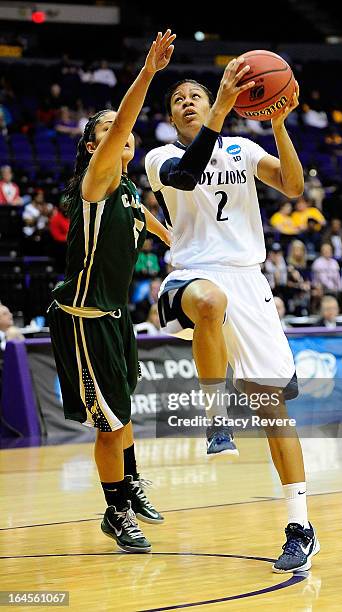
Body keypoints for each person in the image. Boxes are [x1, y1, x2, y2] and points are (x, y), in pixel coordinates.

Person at [145, 62, 320, 572]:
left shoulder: (243, 151)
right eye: (179, 99)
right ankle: (215, 413)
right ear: (171, 117)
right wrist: (222, 108)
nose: (189, 102)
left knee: (273, 412)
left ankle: (300, 525)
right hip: (192, 272)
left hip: (250, 280)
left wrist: (280, 124)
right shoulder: (161, 157)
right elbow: (188, 174)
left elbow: (292, 186)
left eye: (196, 95)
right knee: (208, 303)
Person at [47, 30, 175, 554]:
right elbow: (124, 119)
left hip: (117, 316)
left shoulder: (124, 189)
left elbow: (147, 217)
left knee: (122, 410)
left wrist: (178, 241)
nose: (124, 131)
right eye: (110, 129)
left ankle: (130, 482)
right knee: (110, 424)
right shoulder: (97, 180)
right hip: (86, 316)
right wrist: (147, 74)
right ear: (96, 145)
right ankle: (115, 511)